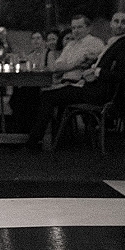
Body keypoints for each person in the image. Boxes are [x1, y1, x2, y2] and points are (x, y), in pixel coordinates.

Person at [26, 14, 105, 149]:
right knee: (35, 94)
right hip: (66, 83)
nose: (76, 31)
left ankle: (35, 140)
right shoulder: (70, 45)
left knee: (47, 96)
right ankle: (44, 136)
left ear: (88, 27)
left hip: (82, 86)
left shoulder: (95, 43)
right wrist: (75, 64)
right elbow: (58, 66)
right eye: (73, 28)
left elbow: (87, 62)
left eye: (79, 27)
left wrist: (69, 64)